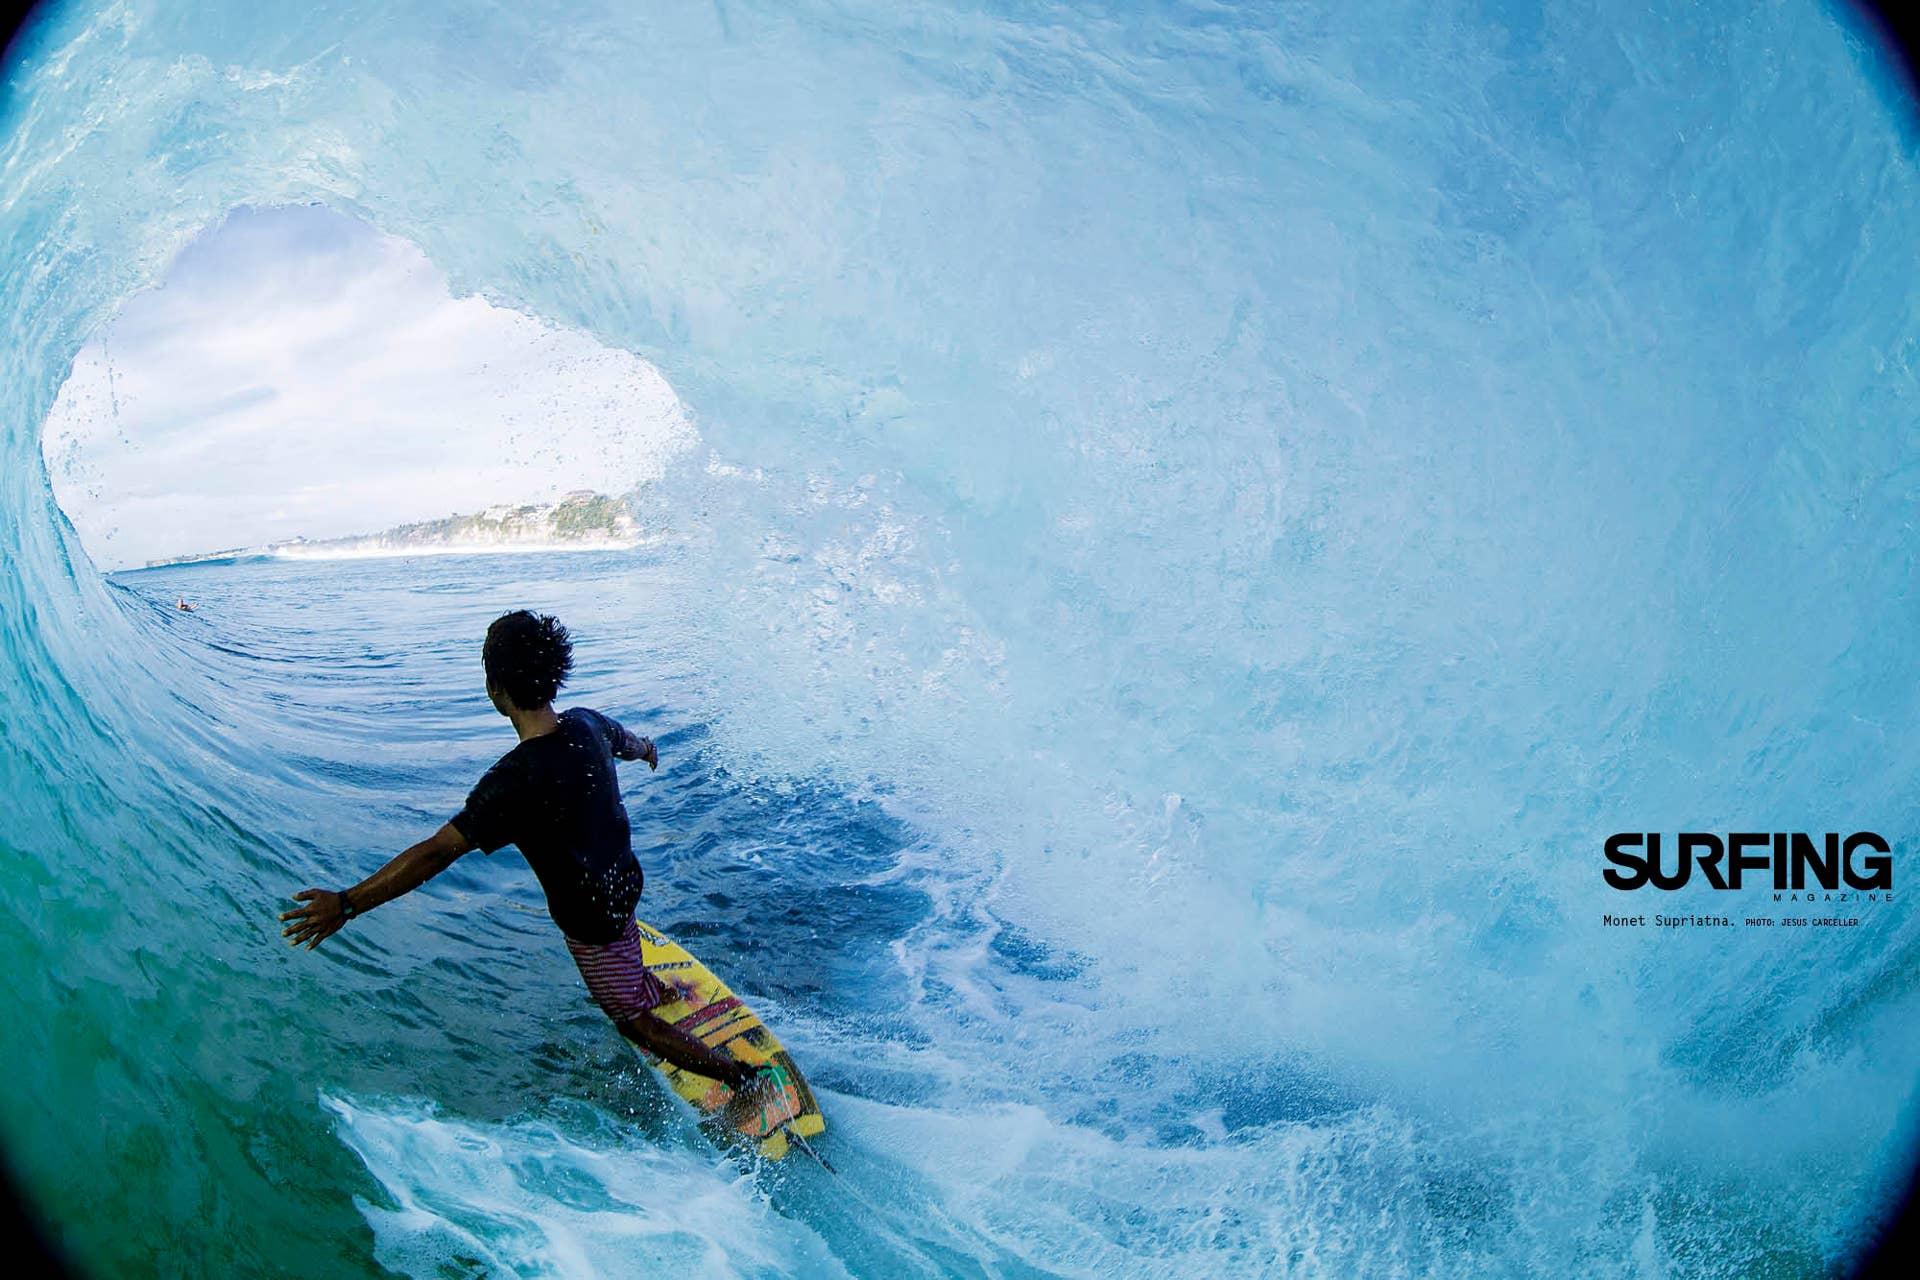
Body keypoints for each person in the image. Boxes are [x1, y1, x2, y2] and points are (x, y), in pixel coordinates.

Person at [279, 609, 800, 1137]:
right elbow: (627, 741)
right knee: (621, 935)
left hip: (591, 921)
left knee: (631, 1023)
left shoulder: (512, 782)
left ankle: (744, 1080)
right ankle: (650, 986)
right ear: (554, 674)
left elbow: (436, 853)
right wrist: (648, 750)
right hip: (625, 884)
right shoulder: (586, 724)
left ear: (495, 689)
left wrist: (347, 903)